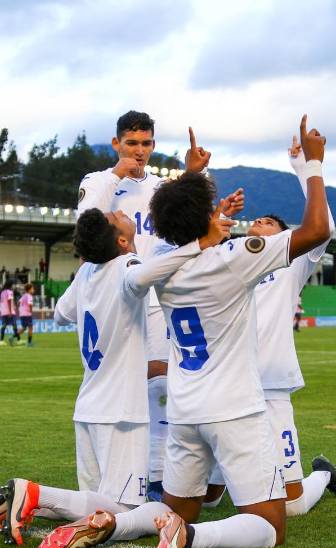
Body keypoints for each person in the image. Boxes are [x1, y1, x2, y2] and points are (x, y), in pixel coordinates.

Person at [0, 204, 234, 548]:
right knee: (131, 511)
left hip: (88, 407)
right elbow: (142, 274)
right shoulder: (126, 266)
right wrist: (202, 242)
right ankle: (33, 492)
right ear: (122, 241)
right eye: (116, 218)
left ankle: (23, 502)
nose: (121, 211)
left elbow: (61, 314)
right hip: (120, 412)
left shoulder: (87, 272)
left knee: (95, 507)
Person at [77, 111, 240, 499]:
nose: (139, 152)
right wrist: (118, 172)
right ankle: (139, 476)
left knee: (167, 383)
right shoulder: (98, 182)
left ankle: (170, 474)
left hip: (161, 294)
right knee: (135, 386)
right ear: (117, 144)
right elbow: (86, 224)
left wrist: (193, 175)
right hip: (122, 293)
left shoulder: (159, 186)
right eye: (131, 144)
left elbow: (181, 218)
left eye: (146, 144)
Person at [202, 136, 336, 518]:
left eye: (271, 223)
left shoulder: (292, 264)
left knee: (294, 505)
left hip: (270, 385)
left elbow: (324, 227)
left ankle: (322, 475)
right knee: (208, 500)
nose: (261, 222)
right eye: (257, 220)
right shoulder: (228, 257)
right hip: (227, 386)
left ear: (286, 237)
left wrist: (305, 168)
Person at [0, 281, 20, 346]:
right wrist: (10, 311)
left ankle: (1, 341)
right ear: (10, 285)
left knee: (4, 325)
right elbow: (9, 301)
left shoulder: (2, 292)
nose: (13, 286)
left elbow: (2, 302)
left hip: (3, 311)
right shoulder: (9, 292)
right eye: (12, 285)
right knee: (14, 325)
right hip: (9, 311)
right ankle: (18, 340)